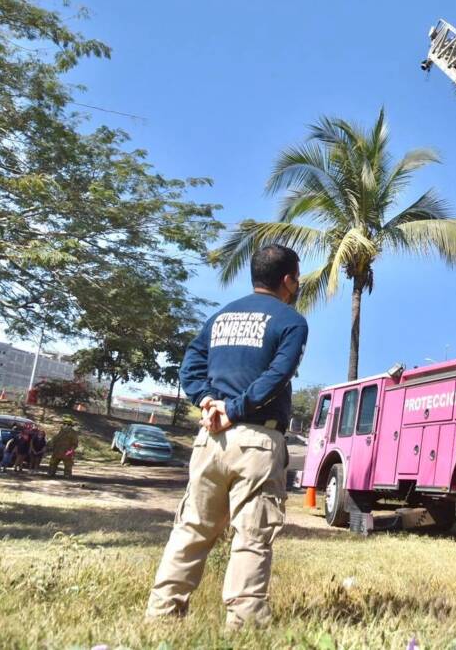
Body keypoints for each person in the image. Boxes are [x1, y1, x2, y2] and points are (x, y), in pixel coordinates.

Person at [146, 244, 308, 629]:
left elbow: (191, 363)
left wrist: (206, 401)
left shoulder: (220, 317)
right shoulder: (291, 321)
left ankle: (161, 616)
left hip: (210, 440)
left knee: (191, 528)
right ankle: (244, 625)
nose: (297, 284)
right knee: (252, 534)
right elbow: (277, 375)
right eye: (296, 278)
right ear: (287, 280)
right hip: (256, 440)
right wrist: (234, 408)